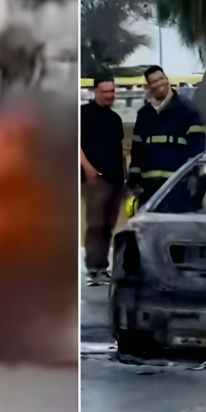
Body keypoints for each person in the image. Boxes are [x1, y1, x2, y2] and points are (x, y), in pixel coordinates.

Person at [128, 65, 206, 204]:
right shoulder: (144, 115)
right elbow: (137, 150)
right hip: (148, 189)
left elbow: (197, 149)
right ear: (149, 86)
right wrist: (134, 179)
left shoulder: (188, 110)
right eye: (153, 82)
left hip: (177, 186)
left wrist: (193, 177)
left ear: (167, 80)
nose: (158, 84)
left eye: (160, 79)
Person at [81, 73, 126, 286]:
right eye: (105, 91)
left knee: (108, 226)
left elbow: (118, 149)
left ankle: (102, 267)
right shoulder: (84, 114)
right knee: (95, 225)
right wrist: (88, 169)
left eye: (112, 91)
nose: (110, 95)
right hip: (96, 181)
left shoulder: (115, 118)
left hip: (116, 181)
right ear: (95, 91)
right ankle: (93, 269)